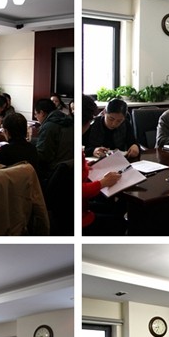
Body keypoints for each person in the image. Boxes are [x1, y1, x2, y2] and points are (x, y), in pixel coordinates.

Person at [81, 95, 124, 235]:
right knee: (120, 221)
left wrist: (87, 167)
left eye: (119, 121)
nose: (114, 123)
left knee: (118, 207)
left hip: (83, 204)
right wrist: (102, 183)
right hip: (81, 215)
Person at [33, 97, 74, 178]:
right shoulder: (67, 120)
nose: (36, 117)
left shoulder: (49, 126)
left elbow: (43, 155)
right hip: (68, 168)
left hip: (53, 171)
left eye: (36, 114)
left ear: (42, 113)